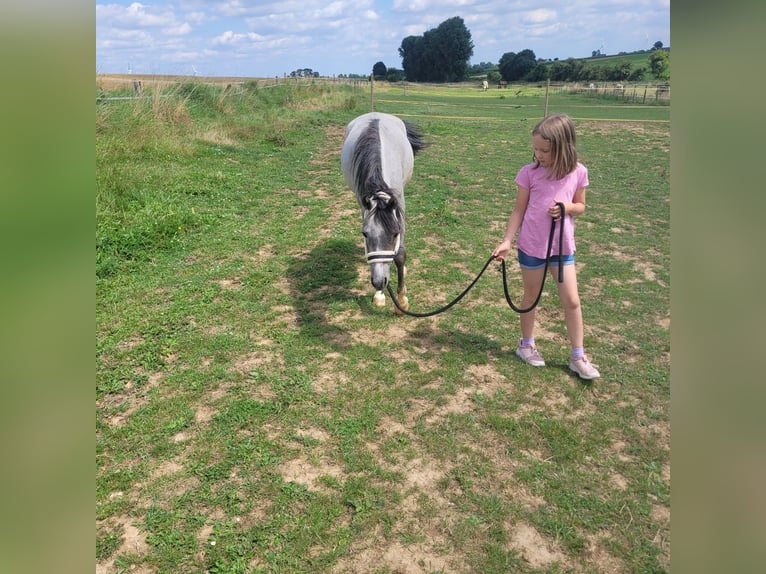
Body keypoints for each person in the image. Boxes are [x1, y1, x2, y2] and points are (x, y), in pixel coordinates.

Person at [492, 113, 600, 380]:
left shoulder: (579, 172)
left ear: (563, 148)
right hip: (532, 246)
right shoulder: (529, 173)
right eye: (536, 149)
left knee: (572, 301)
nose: (538, 154)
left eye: (545, 150)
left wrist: (567, 208)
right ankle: (526, 345)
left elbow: (581, 207)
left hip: (562, 248)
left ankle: (578, 356)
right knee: (530, 298)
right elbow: (518, 211)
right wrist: (507, 240)